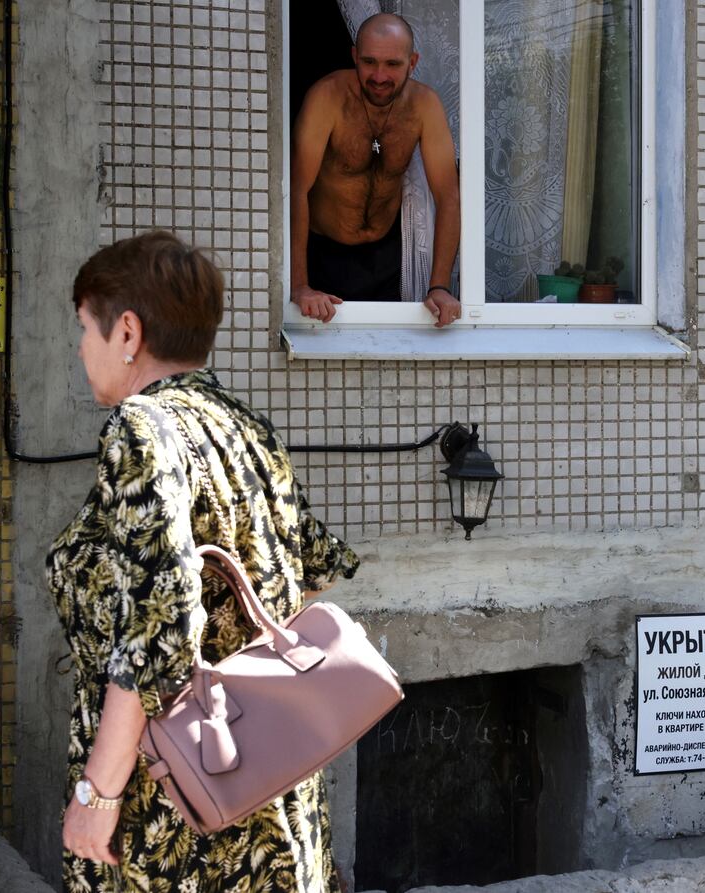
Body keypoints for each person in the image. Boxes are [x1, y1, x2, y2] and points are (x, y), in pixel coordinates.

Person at [47, 231, 359, 892]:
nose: (79, 348)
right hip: (268, 788)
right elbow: (312, 566)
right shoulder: (245, 426)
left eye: (85, 328)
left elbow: (158, 632)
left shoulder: (142, 427)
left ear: (127, 330)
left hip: (180, 809)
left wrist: (98, 795)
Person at [291, 12, 461, 326]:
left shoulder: (424, 105)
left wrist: (439, 285)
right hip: (324, 255)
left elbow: (449, 196)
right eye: (369, 62)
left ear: (412, 62)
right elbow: (295, 189)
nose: (379, 76)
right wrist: (299, 285)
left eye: (393, 65)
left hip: (387, 258)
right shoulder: (327, 97)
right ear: (354, 56)